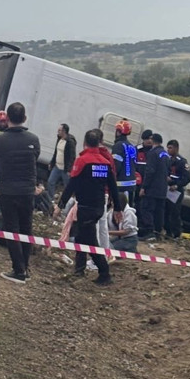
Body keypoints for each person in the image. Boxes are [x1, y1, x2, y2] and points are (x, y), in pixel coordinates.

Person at [55, 129, 122, 286]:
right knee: (80, 236)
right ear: (99, 143)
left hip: (86, 207)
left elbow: (72, 184)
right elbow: (113, 187)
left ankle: (104, 273)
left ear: (85, 142)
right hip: (99, 206)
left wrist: (60, 205)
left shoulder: (83, 160)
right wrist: (118, 208)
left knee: (91, 242)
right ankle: (79, 269)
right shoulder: (105, 162)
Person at [0, 102, 40, 283]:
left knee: (12, 230)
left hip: (8, 190)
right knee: (26, 228)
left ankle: (18, 270)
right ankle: (24, 267)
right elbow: (35, 158)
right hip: (27, 191)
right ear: (24, 118)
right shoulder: (33, 139)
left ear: (7, 118)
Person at [139, 132, 170, 241]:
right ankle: (158, 233)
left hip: (152, 188)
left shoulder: (152, 153)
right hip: (162, 189)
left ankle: (149, 232)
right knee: (159, 212)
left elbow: (150, 171)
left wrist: (144, 187)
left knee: (146, 208)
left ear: (153, 140)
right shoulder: (165, 154)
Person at [165, 139, 190, 239]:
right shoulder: (168, 159)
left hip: (176, 191)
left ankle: (176, 233)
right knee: (166, 211)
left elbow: (187, 178)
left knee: (175, 212)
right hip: (168, 189)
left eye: (170, 148)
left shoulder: (182, 162)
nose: (168, 150)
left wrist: (177, 185)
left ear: (176, 148)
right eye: (168, 148)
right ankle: (168, 231)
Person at [111, 119, 138, 208]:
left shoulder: (118, 146)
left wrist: (110, 180)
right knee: (128, 209)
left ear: (118, 132)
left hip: (121, 185)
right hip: (132, 184)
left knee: (119, 209)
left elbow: (116, 166)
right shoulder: (132, 147)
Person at [47, 123, 77, 200]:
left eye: (59, 130)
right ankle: (51, 199)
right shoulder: (59, 139)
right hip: (57, 166)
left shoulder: (70, 142)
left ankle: (67, 201)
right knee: (50, 182)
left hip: (65, 168)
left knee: (67, 186)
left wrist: (69, 169)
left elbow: (71, 156)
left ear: (64, 131)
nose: (58, 131)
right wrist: (52, 162)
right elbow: (56, 152)